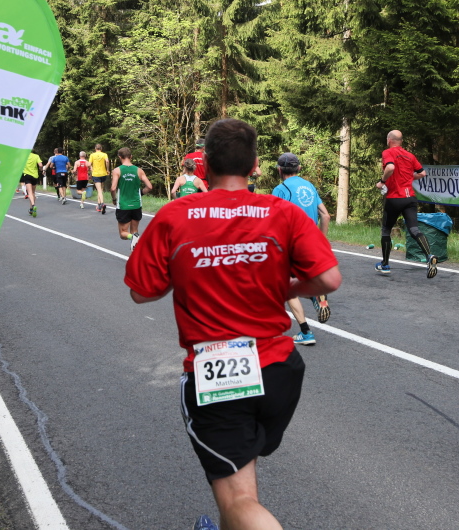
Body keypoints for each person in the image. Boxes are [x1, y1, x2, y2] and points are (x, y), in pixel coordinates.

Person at [125, 119, 342, 530]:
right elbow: (329, 279)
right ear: (255, 166)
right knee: (240, 480)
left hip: (218, 371)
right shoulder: (282, 212)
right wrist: (285, 287)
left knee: (239, 497)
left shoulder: (173, 216)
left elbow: (141, 292)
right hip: (279, 370)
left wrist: (190, 270)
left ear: (204, 166)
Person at [272, 153, 332, 345]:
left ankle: (306, 332)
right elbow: (326, 216)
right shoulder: (310, 186)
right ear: (298, 168)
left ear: (279, 170)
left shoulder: (280, 189)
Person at [375, 130, 438, 278]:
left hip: (394, 198)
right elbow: (422, 173)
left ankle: (385, 264)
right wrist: (409, 177)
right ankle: (429, 256)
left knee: (386, 230)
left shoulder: (388, 152)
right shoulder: (410, 155)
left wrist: (382, 182)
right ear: (401, 141)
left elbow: (390, 167)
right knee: (414, 229)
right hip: (410, 198)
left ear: (389, 140)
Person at [110, 147, 152, 251]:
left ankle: (133, 238)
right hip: (136, 205)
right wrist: (141, 193)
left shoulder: (117, 170)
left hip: (123, 205)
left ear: (120, 157)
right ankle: (135, 253)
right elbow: (149, 187)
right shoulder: (139, 170)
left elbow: (113, 188)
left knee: (123, 233)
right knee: (135, 232)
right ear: (131, 156)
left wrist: (114, 199)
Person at [89, 144, 111, 213]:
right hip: (103, 173)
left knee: (99, 190)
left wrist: (91, 169)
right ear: (101, 148)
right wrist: (107, 169)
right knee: (100, 189)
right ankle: (99, 206)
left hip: (96, 174)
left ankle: (102, 203)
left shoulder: (92, 155)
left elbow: (89, 164)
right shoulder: (104, 154)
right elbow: (107, 161)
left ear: (95, 148)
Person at [22, 150, 43, 217]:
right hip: (35, 176)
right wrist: (41, 169)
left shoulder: (24, 156)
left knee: (30, 192)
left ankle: (33, 205)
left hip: (27, 175)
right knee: (33, 192)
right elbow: (40, 165)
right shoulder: (36, 156)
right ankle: (31, 209)